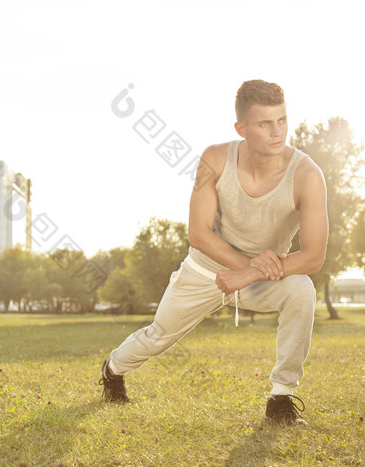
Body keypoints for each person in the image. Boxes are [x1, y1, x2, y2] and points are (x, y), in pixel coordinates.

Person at [99, 79, 328, 426]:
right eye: (264, 123)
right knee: (158, 337)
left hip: (262, 278)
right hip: (204, 272)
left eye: (281, 120)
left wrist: (248, 274)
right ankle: (113, 369)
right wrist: (244, 266)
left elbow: (313, 257)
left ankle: (281, 397)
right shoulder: (215, 158)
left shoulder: (307, 175)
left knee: (302, 290)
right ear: (242, 128)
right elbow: (199, 233)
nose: (277, 132)